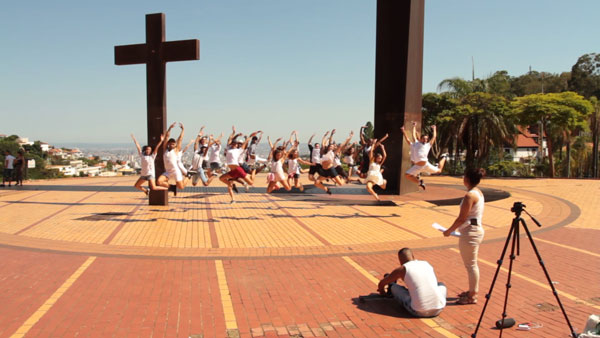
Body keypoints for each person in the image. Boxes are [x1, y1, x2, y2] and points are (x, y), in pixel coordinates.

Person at [442, 168, 486, 305]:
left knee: (471, 265)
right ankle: (472, 291)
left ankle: (472, 295)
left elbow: (461, 218)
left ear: (467, 179)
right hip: (473, 230)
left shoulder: (469, 196)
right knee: (471, 264)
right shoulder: (478, 192)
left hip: (470, 232)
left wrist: (448, 231)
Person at [377, 248, 447, 318]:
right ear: (413, 256)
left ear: (400, 261)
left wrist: (383, 292)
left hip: (418, 311)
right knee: (441, 285)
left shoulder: (402, 269)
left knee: (395, 288)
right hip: (439, 308)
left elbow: (381, 284)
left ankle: (391, 285)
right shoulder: (426, 263)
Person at [402, 123, 447, 190]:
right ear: (420, 138)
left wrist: (434, 129)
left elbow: (434, 137)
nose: (425, 140)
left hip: (425, 165)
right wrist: (413, 127)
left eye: (426, 139)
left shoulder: (427, 145)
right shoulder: (415, 144)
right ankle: (420, 182)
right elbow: (411, 136)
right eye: (424, 138)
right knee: (407, 175)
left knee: (439, 171)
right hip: (417, 166)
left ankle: (444, 157)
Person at [219, 130, 258, 202]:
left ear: (237, 145)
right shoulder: (228, 149)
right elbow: (229, 139)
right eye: (233, 143)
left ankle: (254, 170)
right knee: (221, 178)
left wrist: (250, 136)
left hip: (238, 169)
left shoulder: (239, 150)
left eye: (235, 144)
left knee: (251, 183)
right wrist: (235, 134)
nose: (234, 144)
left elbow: (246, 142)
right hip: (233, 171)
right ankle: (231, 185)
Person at [156, 122, 189, 195]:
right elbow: (166, 137)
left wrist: (183, 130)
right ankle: (172, 187)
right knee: (159, 182)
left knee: (181, 187)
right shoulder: (165, 149)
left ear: (175, 144)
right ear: (168, 144)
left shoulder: (176, 150)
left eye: (173, 144)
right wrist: (170, 128)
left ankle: (188, 176)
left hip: (175, 171)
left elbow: (180, 139)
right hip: (168, 172)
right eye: (170, 143)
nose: (171, 145)